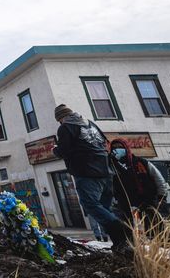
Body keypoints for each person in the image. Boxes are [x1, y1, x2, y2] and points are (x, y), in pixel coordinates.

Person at [52, 104, 128, 251]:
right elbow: (105, 144)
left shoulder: (65, 127)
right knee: (105, 209)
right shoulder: (90, 123)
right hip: (106, 172)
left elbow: (63, 151)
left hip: (87, 172)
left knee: (90, 204)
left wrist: (55, 150)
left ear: (61, 118)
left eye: (59, 121)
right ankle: (120, 243)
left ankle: (121, 228)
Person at [109, 138, 170, 232]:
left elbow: (159, 180)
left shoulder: (141, 163)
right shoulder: (112, 166)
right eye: (114, 148)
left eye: (120, 147)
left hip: (147, 199)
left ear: (126, 148)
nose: (116, 149)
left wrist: (162, 196)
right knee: (127, 227)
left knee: (154, 226)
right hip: (125, 202)